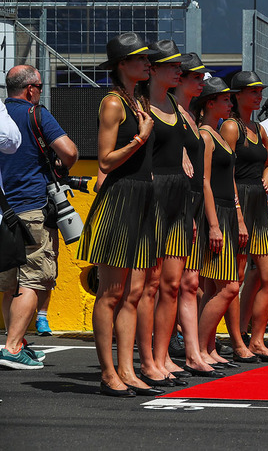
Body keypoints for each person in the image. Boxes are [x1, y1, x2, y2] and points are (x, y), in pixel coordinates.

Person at [77, 32, 158, 396]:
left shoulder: (138, 98)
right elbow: (106, 160)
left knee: (134, 292)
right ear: (123, 65)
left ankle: (127, 370)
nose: (147, 63)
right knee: (111, 292)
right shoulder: (113, 103)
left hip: (141, 197)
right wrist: (139, 138)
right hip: (120, 199)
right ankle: (109, 373)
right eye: (140, 58)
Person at [0, 65, 76, 370]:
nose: (41, 92)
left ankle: (13, 340)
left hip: (4, 210)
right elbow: (69, 152)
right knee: (34, 279)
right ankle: (13, 346)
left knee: (10, 282)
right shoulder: (37, 114)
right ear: (30, 89)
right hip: (32, 207)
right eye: (41, 86)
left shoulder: (2, 116)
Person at [135, 40, 194, 389]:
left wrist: (185, 158)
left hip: (178, 195)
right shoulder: (141, 104)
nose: (179, 72)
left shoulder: (174, 103)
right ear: (153, 70)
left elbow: (185, 147)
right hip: (153, 195)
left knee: (171, 284)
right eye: (172, 66)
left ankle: (162, 356)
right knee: (151, 284)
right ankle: (146, 360)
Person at [224, 71, 268, 362]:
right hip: (235, 201)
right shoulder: (231, 127)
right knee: (233, 280)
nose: (258, 95)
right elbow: (222, 172)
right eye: (252, 91)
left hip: (258, 202)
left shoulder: (258, 128)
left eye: (260, 90)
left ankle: (257, 339)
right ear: (237, 96)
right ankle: (236, 341)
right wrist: (237, 212)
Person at [170, 52, 223, 378]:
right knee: (162, 287)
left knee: (189, 284)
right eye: (195, 76)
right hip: (172, 205)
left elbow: (200, 176)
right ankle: (161, 356)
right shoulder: (171, 111)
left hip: (190, 205)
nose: (200, 81)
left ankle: (193, 353)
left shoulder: (187, 115)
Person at [191, 77, 249, 370]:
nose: (230, 103)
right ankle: (199, 349)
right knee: (227, 286)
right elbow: (204, 182)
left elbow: (229, 182)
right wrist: (214, 224)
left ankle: (209, 347)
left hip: (227, 211)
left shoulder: (218, 134)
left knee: (216, 287)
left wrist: (237, 215)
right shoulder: (205, 135)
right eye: (225, 99)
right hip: (215, 214)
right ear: (210, 103)